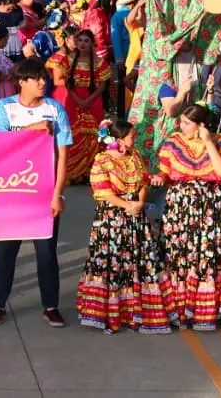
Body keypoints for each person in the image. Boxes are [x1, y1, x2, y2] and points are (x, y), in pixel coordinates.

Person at [152, 103, 221, 331]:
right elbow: (164, 169)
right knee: (181, 256)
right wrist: (160, 177)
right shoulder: (173, 142)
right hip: (180, 207)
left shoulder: (220, 141)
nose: (181, 126)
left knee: (211, 255)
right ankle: (181, 307)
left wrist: (208, 141)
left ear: (201, 125)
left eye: (187, 123)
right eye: (181, 122)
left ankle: (211, 307)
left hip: (210, 207)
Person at [0, 57, 71, 328]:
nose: (43, 82)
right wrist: (31, 129)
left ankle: (51, 305)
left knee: (46, 254)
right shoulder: (5, 107)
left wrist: (57, 194)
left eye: (44, 78)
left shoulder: (55, 109)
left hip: (43, 193)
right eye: (36, 79)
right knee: (6, 253)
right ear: (21, 82)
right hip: (11, 192)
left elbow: (62, 155)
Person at [76, 119, 175, 334]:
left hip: (135, 217)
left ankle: (135, 311)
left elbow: (142, 181)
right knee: (112, 264)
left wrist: (139, 201)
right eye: (132, 136)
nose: (135, 139)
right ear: (119, 139)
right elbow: (102, 192)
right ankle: (111, 312)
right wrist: (127, 205)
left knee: (139, 263)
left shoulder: (135, 155)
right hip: (112, 219)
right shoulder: (102, 160)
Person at [46, 28, 110, 184]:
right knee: (73, 134)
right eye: (80, 40)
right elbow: (64, 82)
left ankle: (90, 172)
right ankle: (73, 173)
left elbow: (102, 86)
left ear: (92, 44)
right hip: (73, 99)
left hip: (93, 99)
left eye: (86, 41)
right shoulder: (66, 60)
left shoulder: (99, 63)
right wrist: (78, 99)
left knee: (93, 136)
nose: (82, 44)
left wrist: (88, 100)